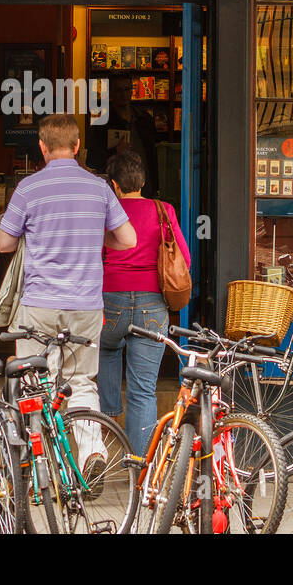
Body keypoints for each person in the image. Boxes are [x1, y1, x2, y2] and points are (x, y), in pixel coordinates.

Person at [0, 113, 137, 474]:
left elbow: (3, 244)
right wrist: (95, 236)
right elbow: (128, 239)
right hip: (86, 306)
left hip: (38, 305)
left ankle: (37, 463)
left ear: (41, 148)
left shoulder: (28, 188)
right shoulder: (100, 188)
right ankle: (91, 452)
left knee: (35, 381)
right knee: (80, 381)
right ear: (77, 147)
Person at [99, 150, 191, 456]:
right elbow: (184, 259)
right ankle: (139, 466)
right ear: (143, 180)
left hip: (110, 299)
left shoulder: (106, 211)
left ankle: (107, 416)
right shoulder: (163, 210)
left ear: (114, 184)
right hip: (152, 305)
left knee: (105, 347)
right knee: (143, 391)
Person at [86, 73, 159, 197]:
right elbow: (92, 161)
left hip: (145, 187)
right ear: (110, 93)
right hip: (117, 190)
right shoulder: (101, 125)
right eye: (119, 90)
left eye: (127, 89)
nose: (124, 95)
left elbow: (153, 155)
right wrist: (115, 152)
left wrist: (156, 186)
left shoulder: (144, 119)